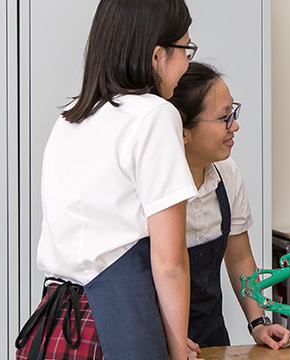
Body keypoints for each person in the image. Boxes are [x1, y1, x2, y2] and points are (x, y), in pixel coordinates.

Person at [14, 0, 196, 359]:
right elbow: (170, 262)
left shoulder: (70, 119)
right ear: (157, 55)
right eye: (185, 49)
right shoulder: (155, 115)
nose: (187, 63)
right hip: (114, 328)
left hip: (55, 327)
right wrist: (175, 351)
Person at [166, 63, 290, 355]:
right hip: (157, 339)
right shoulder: (154, 185)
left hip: (211, 335)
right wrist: (170, 338)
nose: (234, 126)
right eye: (224, 118)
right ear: (182, 130)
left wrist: (258, 322)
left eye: (233, 113)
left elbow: (239, 257)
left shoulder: (227, 173)